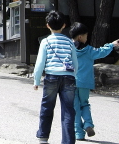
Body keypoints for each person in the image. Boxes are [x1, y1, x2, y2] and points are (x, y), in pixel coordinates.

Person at [33, 11, 78, 144]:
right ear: (64, 25)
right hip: (68, 78)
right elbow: (75, 63)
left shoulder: (46, 41)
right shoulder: (70, 42)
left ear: (47, 26)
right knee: (68, 110)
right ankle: (68, 141)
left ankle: (43, 136)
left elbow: (40, 63)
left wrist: (36, 80)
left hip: (51, 76)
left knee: (47, 107)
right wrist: (72, 75)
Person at [70, 22, 119, 140]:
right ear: (81, 37)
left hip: (71, 82)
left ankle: (79, 133)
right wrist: (111, 45)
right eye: (86, 35)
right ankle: (88, 124)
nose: (87, 38)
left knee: (75, 108)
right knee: (85, 104)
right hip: (85, 83)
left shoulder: (69, 49)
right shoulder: (88, 50)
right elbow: (101, 52)